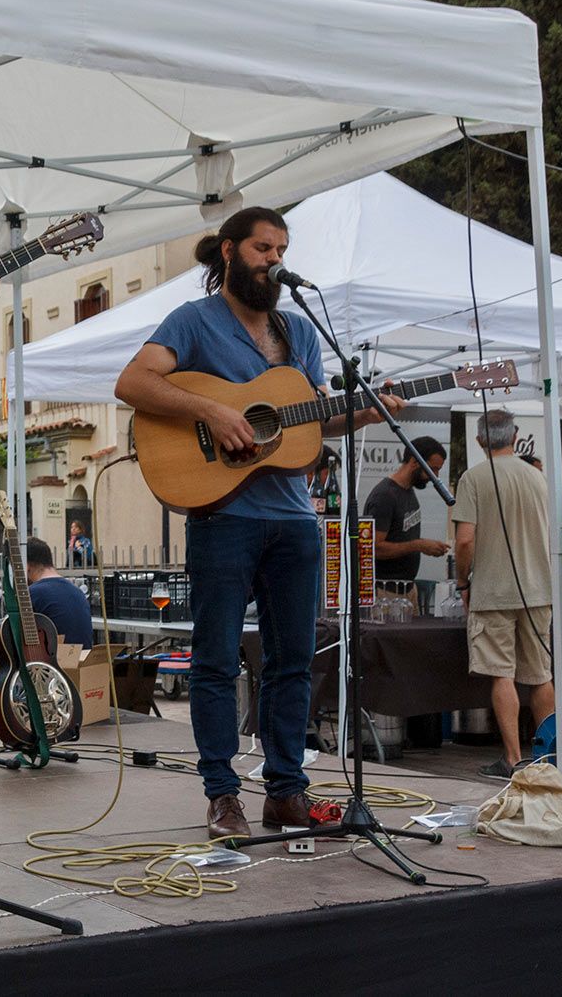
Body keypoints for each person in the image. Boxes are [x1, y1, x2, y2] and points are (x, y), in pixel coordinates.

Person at [113, 206, 405, 840]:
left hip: (294, 519)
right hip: (225, 515)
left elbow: (310, 419)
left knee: (293, 661)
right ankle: (222, 795)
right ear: (228, 252)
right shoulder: (194, 321)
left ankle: (285, 791)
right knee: (217, 659)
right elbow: (133, 381)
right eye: (262, 248)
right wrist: (214, 414)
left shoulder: (298, 331)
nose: (274, 259)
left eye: (281, 249)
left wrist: (367, 412)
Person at [451, 408, 555, 778]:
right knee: (541, 675)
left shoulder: (473, 478)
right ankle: (549, 758)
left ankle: (512, 759)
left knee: (502, 674)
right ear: (514, 436)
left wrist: (462, 582)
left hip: (493, 591)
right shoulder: (539, 477)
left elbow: (464, 541)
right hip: (539, 590)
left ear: (480, 440)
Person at [0, 537, 96, 694]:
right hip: (74, 669)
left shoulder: (33, 593)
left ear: (26, 566)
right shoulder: (77, 592)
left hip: (38, 678)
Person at [363, 435, 450, 583]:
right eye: (432, 469)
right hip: (385, 589)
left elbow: (401, 536)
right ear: (415, 461)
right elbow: (373, 548)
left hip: (406, 587)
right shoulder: (385, 495)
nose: (435, 476)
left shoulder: (407, 490)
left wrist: (426, 545)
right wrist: (418, 545)